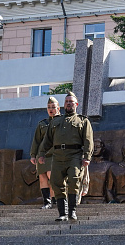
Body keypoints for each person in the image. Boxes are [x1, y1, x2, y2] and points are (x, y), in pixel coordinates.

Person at [38, 92, 93, 222]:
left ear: (76, 104)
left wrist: (87, 156)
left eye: (71, 102)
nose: (68, 103)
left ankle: (72, 211)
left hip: (74, 155)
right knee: (56, 182)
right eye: (66, 101)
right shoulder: (56, 121)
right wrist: (41, 153)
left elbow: (88, 140)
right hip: (58, 156)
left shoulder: (82, 121)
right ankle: (62, 213)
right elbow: (47, 140)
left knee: (74, 180)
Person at [30, 96, 60, 209]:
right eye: (49, 107)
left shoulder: (62, 121)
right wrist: (33, 155)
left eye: (53, 107)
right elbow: (36, 141)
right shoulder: (42, 124)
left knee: (52, 177)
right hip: (42, 155)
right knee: (42, 177)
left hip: (55, 154)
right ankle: (47, 202)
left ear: (58, 108)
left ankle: (55, 200)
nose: (51, 109)